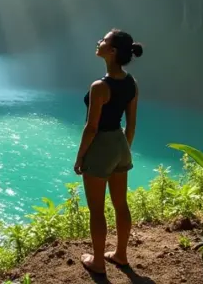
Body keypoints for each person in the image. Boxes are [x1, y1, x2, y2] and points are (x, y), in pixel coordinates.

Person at [74, 29, 142, 274]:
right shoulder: (131, 82)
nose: (99, 42)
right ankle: (121, 255)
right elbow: (131, 123)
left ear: (112, 51)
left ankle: (99, 262)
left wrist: (80, 157)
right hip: (120, 145)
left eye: (103, 40)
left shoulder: (99, 87)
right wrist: (124, 151)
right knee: (120, 203)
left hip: (101, 146)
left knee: (96, 210)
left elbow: (91, 128)